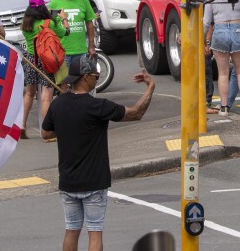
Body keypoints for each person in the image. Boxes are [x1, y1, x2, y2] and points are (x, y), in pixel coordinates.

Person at [42, 57, 155, 251]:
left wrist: (65, 123)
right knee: (95, 231)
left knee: (71, 229)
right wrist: (150, 87)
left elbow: (46, 133)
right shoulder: (98, 106)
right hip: (94, 181)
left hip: (68, 181)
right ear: (85, 77)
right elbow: (136, 113)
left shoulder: (58, 104)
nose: (97, 78)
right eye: (96, 75)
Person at [19, 0, 69, 140]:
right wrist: (63, 19)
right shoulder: (50, 23)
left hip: (30, 60)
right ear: (42, 8)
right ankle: (46, 131)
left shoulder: (26, 25)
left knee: (29, 93)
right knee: (46, 96)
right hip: (45, 60)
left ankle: (22, 124)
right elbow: (65, 32)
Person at [48, 0, 96, 70]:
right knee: (65, 83)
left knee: (83, 82)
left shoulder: (83, 0)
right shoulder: (54, 2)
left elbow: (89, 23)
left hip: (81, 51)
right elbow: (51, 27)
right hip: (63, 52)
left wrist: (91, 46)